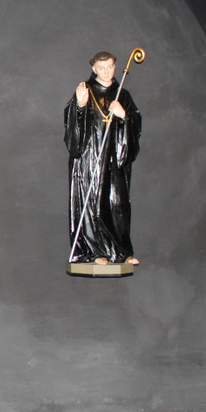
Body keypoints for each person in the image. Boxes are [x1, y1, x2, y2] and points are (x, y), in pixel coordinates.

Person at [63, 51, 141, 265]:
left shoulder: (122, 94)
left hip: (114, 158)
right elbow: (72, 127)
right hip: (90, 157)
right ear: (94, 69)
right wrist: (80, 106)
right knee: (93, 202)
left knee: (117, 201)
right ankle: (96, 251)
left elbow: (135, 123)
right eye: (101, 68)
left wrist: (124, 116)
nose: (106, 72)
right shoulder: (85, 90)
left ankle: (122, 252)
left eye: (110, 67)